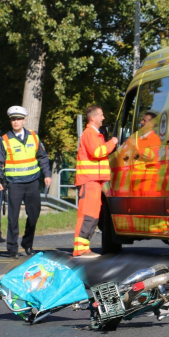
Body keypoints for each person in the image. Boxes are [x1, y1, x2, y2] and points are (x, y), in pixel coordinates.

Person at [0, 106, 51, 258]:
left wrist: (47, 174)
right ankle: (12, 248)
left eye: (18, 119)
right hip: (14, 184)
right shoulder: (4, 140)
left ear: (24, 120)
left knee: (34, 214)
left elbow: (42, 156)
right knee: (13, 218)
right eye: (13, 119)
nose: (16, 122)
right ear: (10, 121)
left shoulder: (34, 136)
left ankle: (27, 243)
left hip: (32, 182)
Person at [73, 105, 118, 258]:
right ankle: (80, 249)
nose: (103, 118)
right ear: (93, 118)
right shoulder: (90, 133)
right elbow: (97, 152)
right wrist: (112, 142)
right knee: (87, 214)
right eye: (101, 115)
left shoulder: (94, 134)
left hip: (94, 181)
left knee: (92, 215)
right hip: (89, 181)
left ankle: (84, 247)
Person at [130, 112, 161, 197]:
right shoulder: (139, 139)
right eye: (142, 120)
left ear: (152, 124)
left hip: (148, 181)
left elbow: (150, 155)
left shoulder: (154, 139)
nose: (141, 122)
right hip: (137, 180)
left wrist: (135, 146)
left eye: (144, 121)